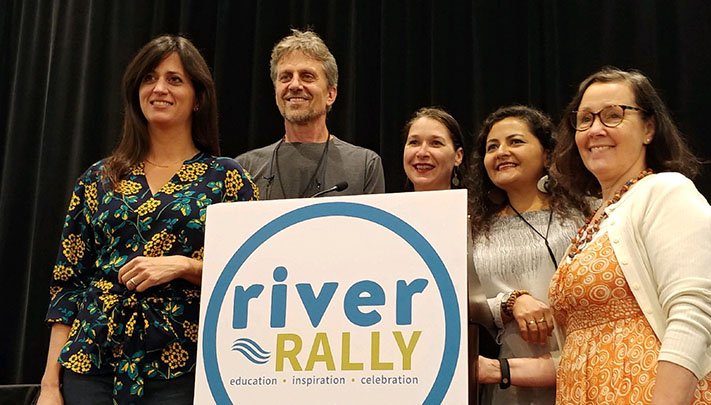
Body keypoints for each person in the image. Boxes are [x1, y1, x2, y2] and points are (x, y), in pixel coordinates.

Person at [37, 35, 257, 404]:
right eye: (149, 78)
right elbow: (68, 286)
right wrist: (49, 385)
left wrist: (186, 266)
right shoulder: (98, 178)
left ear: (198, 97)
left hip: (181, 367)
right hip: (92, 364)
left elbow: (250, 279)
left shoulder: (228, 179)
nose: (159, 88)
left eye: (175, 79)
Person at [550, 67, 711, 404]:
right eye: (585, 119)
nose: (595, 129)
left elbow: (694, 313)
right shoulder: (598, 218)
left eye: (613, 115)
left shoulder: (666, 191)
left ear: (649, 128)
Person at [466, 105, 590, 404]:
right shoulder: (473, 228)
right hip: (508, 380)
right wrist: (511, 302)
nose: (501, 152)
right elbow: (463, 304)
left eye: (515, 141)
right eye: (491, 147)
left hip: (584, 368)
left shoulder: (585, 213)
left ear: (548, 155)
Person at [236, 29, 385, 199]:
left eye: (307, 76)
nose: (294, 85)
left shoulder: (365, 166)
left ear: (331, 94)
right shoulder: (244, 168)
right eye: (285, 77)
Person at [402, 107, 466, 191]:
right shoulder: (386, 204)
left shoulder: (469, 204)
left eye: (436, 143)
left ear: (458, 156)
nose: (422, 153)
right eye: (414, 142)